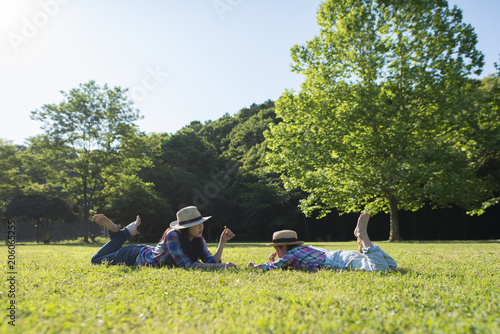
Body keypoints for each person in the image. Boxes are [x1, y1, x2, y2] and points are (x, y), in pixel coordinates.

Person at [91, 206, 236, 269]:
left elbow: (210, 261)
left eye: (201, 223)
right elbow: (185, 265)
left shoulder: (198, 239)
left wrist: (222, 243)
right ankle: (125, 232)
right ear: (185, 227)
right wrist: (221, 266)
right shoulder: (173, 234)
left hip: (144, 251)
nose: (201, 227)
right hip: (133, 256)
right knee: (95, 260)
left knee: (102, 255)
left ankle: (119, 231)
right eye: (196, 224)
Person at [248, 212, 396, 272]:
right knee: (391, 266)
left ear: (285, 247)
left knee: (381, 270)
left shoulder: (290, 255)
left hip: (338, 262)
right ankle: (364, 247)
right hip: (343, 255)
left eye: (277, 248)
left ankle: (363, 236)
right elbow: (289, 264)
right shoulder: (304, 249)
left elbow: (273, 266)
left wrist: (255, 266)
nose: (275, 252)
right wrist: (282, 260)